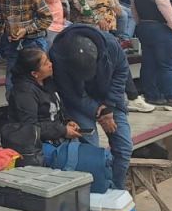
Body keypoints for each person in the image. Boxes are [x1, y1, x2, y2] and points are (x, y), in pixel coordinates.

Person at [50, 25, 133, 188]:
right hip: (80, 102)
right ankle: (95, 189)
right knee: (91, 151)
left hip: (110, 99)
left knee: (124, 148)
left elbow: (121, 72)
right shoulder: (58, 54)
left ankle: (117, 188)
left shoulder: (110, 44)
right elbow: (71, 94)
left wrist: (108, 107)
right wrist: (97, 110)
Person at [1, 48, 81, 164]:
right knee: (86, 163)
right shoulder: (24, 92)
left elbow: (58, 109)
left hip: (59, 138)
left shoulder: (48, 82)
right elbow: (30, 128)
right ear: (34, 73)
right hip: (38, 146)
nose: (51, 64)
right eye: (45, 63)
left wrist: (67, 121)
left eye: (48, 60)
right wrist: (62, 130)